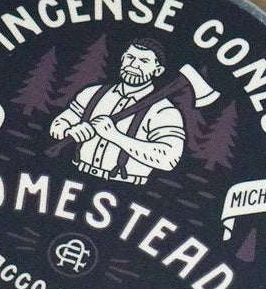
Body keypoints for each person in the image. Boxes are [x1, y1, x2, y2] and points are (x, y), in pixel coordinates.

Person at [48, 39, 185, 185]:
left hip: (126, 189)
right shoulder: (93, 93)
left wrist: (115, 136)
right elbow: (58, 124)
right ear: (122, 59)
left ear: (157, 71)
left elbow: (168, 159)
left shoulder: (164, 111)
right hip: (75, 177)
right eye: (130, 57)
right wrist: (69, 131)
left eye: (144, 61)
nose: (134, 65)